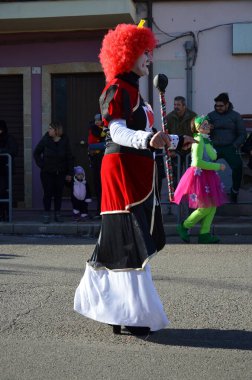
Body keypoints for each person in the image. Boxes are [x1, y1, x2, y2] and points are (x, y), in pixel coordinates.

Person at [74, 22, 196, 336]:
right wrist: (147, 141)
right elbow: (115, 131)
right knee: (128, 240)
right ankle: (128, 312)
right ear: (127, 54)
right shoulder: (117, 88)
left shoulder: (133, 91)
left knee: (121, 240)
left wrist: (176, 139)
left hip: (134, 170)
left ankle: (116, 311)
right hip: (121, 172)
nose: (148, 58)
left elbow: (145, 134)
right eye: (143, 52)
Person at [173, 115, 228, 244]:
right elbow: (197, 162)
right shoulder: (198, 139)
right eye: (203, 124)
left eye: (208, 124)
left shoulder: (205, 140)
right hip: (200, 175)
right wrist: (218, 166)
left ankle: (204, 234)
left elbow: (213, 156)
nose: (207, 126)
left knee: (212, 206)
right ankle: (184, 226)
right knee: (205, 207)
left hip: (208, 175)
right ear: (197, 128)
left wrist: (214, 162)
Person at [208, 92, 247, 203]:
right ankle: (207, 192)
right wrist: (209, 129)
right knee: (203, 167)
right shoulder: (211, 116)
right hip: (214, 147)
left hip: (230, 147)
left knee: (238, 167)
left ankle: (234, 191)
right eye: (216, 106)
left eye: (221, 106)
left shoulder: (235, 116)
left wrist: (235, 145)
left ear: (227, 105)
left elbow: (242, 134)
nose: (218, 108)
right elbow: (203, 131)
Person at [33, 121, 74, 223]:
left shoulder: (65, 140)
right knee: (47, 193)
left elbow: (69, 157)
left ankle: (57, 214)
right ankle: (46, 214)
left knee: (58, 194)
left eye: (50, 128)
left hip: (60, 172)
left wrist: (69, 173)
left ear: (56, 130)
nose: (48, 130)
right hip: (47, 172)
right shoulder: (46, 139)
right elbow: (36, 153)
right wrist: (42, 165)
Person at [165, 96, 197, 187]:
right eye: (175, 104)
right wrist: (169, 150)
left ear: (184, 106)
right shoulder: (169, 118)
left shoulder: (193, 116)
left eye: (178, 105)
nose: (176, 107)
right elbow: (165, 135)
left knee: (192, 174)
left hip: (189, 151)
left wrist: (196, 149)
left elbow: (197, 134)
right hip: (175, 150)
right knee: (174, 175)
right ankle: (174, 196)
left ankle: (191, 195)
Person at [87, 113, 106, 218]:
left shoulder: (104, 128)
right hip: (97, 162)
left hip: (103, 161)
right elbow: (92, 145)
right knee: (98, 187)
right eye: (96, 121)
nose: (97, 122)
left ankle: (104, 209)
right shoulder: (95, 129)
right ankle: (100, 209)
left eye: (99, 120)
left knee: (104, 187)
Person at [0, 120, 18, 221]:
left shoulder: (9, 138)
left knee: (4, 191)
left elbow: (13, 150)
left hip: (5, 170)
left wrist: (1, 151)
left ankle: (6, 214)